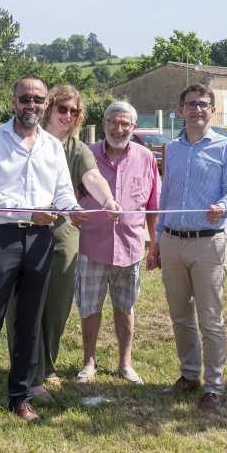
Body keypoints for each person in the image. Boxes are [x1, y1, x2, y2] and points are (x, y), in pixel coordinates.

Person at [0, 76, 85, 426]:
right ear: (14, 101)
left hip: (41, 240)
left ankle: (20, 396)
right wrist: (28, 212)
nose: (32, 105)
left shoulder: (52, 147)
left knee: (31, 321)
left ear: (45, 103)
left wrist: (73, 210)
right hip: (1, 239)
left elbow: (62, 192)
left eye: (38, 99)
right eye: (25, 98)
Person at [6, 85, 119, 398]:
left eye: (74, 111)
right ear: (49, 108)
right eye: (62, 109)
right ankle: (24, 369)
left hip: (63, 233)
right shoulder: (25, 139)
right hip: (21, 228)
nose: (68, 116)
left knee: (55, 305)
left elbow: (92, 178)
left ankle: (45, 367)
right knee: (19, 304)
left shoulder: (77, 149)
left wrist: (108, 200)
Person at [149, 84, 227, 411]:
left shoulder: (226, 147)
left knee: (211, 318)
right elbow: (165, 197)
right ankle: (189, 375)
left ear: (212, 110)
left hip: (208, 244)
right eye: (191, 104)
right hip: (173, 241)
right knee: (180, 316)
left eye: (203, 104)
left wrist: (223, 205)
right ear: (180, 109)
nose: (197, 110)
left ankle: (214, 386)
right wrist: (157, 240)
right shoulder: (171, 150)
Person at [75, 101, 159, 385]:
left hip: (130, 248)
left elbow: (153, 205)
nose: (118, 128)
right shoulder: (86, 154)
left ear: (133, 128)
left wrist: (154, 244)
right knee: (89, 307)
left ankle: (125, 363)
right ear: (104, 124)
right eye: (113, 122)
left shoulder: (146, 157)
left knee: (126, 307)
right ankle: (89, 361)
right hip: (91, 246)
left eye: (125, 124)